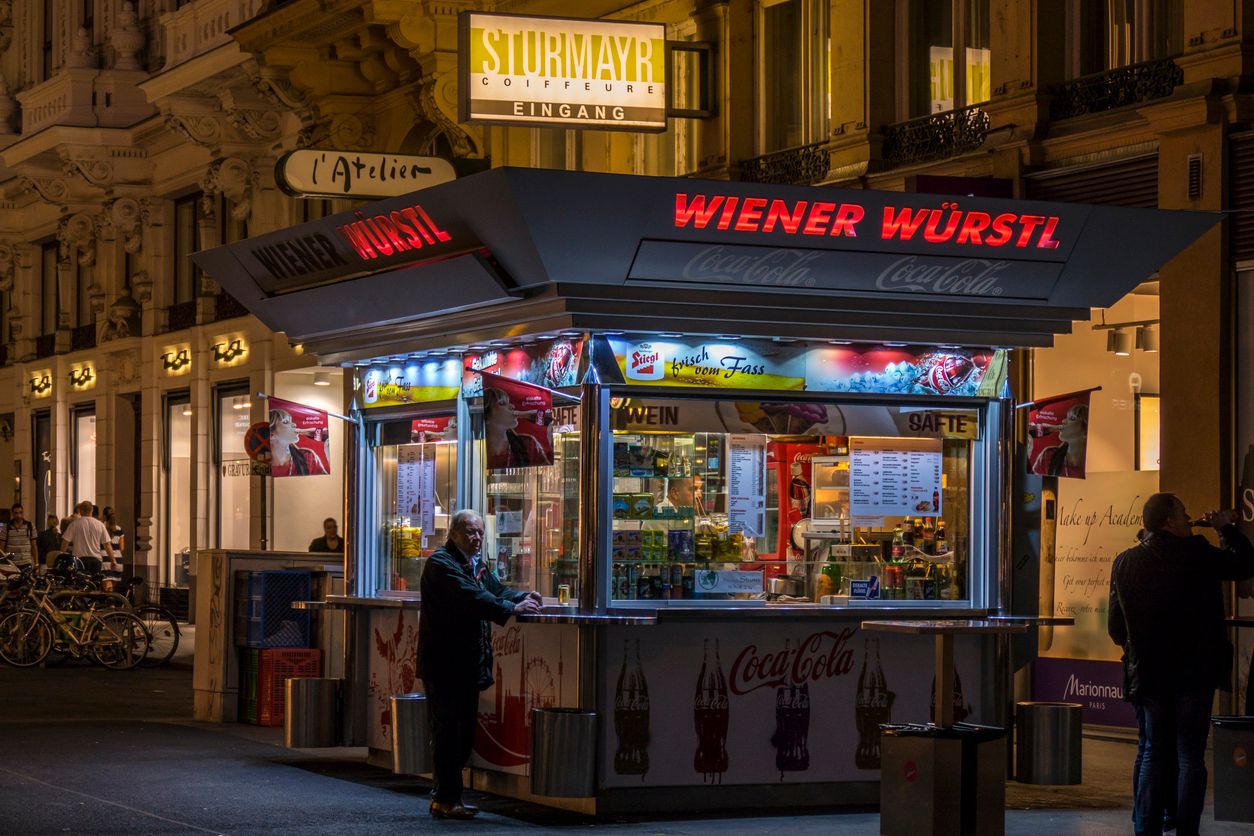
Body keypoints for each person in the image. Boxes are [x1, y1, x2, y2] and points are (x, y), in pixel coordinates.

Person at [1108, 494, 1254, 836]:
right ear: (1169, 521)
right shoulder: (1198, 554)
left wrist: (1136, 649)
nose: (1189, 518)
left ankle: (1146, 828)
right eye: (1184, 513)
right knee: (1190, 756)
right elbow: (1246, 564)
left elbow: (1115, 626)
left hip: (1150, 675)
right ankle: (1187, 830)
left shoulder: (1126, 562)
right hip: (1194, 675)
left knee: (1152, 753)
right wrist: (1226, 529)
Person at [417, 510, 541, 819]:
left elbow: (496, 590)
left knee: (463, 733)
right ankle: (445, 798)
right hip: (445, 664)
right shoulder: (441, 564)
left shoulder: (475, 564)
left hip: (468, 664)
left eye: (480, 533)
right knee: (448, 732)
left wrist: (523, 596)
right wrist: (512, 606)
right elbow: (471, 598)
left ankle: (448, 797)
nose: (476, 538)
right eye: (471, 532)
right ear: (454, 534)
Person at [483, 386, 546, 469]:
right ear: (486, 417)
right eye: (502, 403)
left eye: (509, 402)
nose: (512, 406)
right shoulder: (475, 450)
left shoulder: (528, 445)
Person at [1031, 403, 1088, 478]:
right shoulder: (1049, 455)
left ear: (1085, 431)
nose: (1063, 421)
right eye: (1066, 417)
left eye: (1072, 418)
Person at [61, 500, 117, 573]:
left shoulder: (74, 524)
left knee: (80, 583)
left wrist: (61, 556)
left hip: (79, 560)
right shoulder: (100, 525)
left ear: (80, 510)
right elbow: (107, 544)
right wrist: (113, 560)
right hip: (96, 560)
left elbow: (65, 542)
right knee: (95, 583)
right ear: (92, 510)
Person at [270, 408, 329, 477]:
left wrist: (328, 455)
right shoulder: (264, 463)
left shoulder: (307, 457)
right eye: (285, 422)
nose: (294, 425)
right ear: (272, 435)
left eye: (291, 421)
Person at [0, 503, 35, 569]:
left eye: (20, 512)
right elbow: (2, 546)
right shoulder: (6, 527)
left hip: (26, 562)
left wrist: (36, 563)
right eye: (16, 513)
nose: (19, 515)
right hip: (11, 563)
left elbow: (34, 545)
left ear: (23, 513)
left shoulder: (30, 526)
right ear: (12, 514)